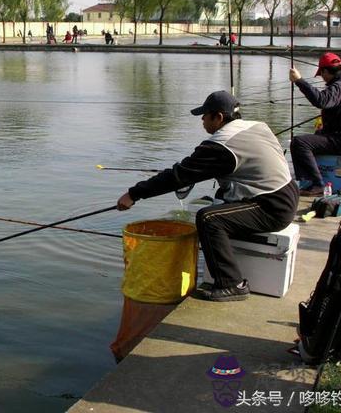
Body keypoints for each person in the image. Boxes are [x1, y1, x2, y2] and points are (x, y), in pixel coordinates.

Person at [116, 91, 299, 302]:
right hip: (287, 192)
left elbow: (176, 177)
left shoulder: (220, 145)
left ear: (218, 117)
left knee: (209, 218)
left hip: (272, 207)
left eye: (205, 116)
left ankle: (231, 284)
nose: (202, 120)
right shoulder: (257, 126)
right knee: (219, 201)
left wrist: (133, 194)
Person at [289, 52, 341, 196]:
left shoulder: (339, 86)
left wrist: (299, 81)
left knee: (299, 143)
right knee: (316, 136)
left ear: (325, 71)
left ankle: (317, 184)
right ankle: (311, 179)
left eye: (322, 73)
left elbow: (321, 101)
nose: (322, 78)